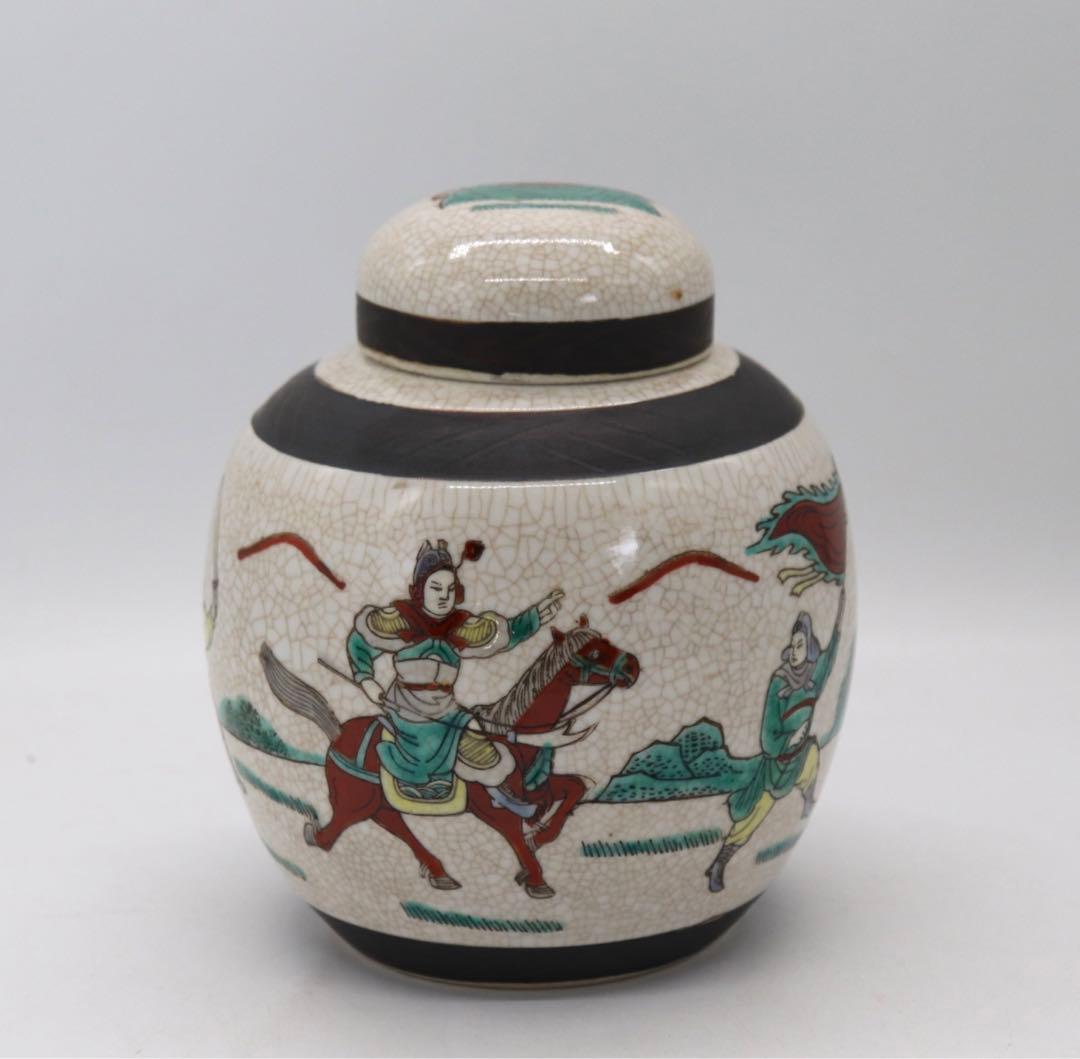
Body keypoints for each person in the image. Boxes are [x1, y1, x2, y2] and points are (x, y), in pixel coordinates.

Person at [346, 539, 564, 809]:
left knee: (479, 739)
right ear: (420, 591)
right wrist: (366, 680)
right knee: (427, 746)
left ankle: (500, 799)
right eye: (435, 588)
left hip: (446, 707)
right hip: (408, 707)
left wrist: (534, 617)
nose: (443, 596)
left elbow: (506, 634)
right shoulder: (400, 620)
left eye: (450, 590)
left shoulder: (461, 626)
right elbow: (360, 642)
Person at [706, 589, 845, 892]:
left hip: (798, 757)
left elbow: (832, 654)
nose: (794, 651)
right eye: (792, 645)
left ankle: (807, 798)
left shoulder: (812, 679)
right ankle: (718, 864)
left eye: (800, 645)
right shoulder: (780, 683)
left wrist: (838, 617)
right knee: (750, 820)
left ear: (809, 648)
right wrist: (789, 738)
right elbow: (768, 736)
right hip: (774, 767)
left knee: (812, 756)